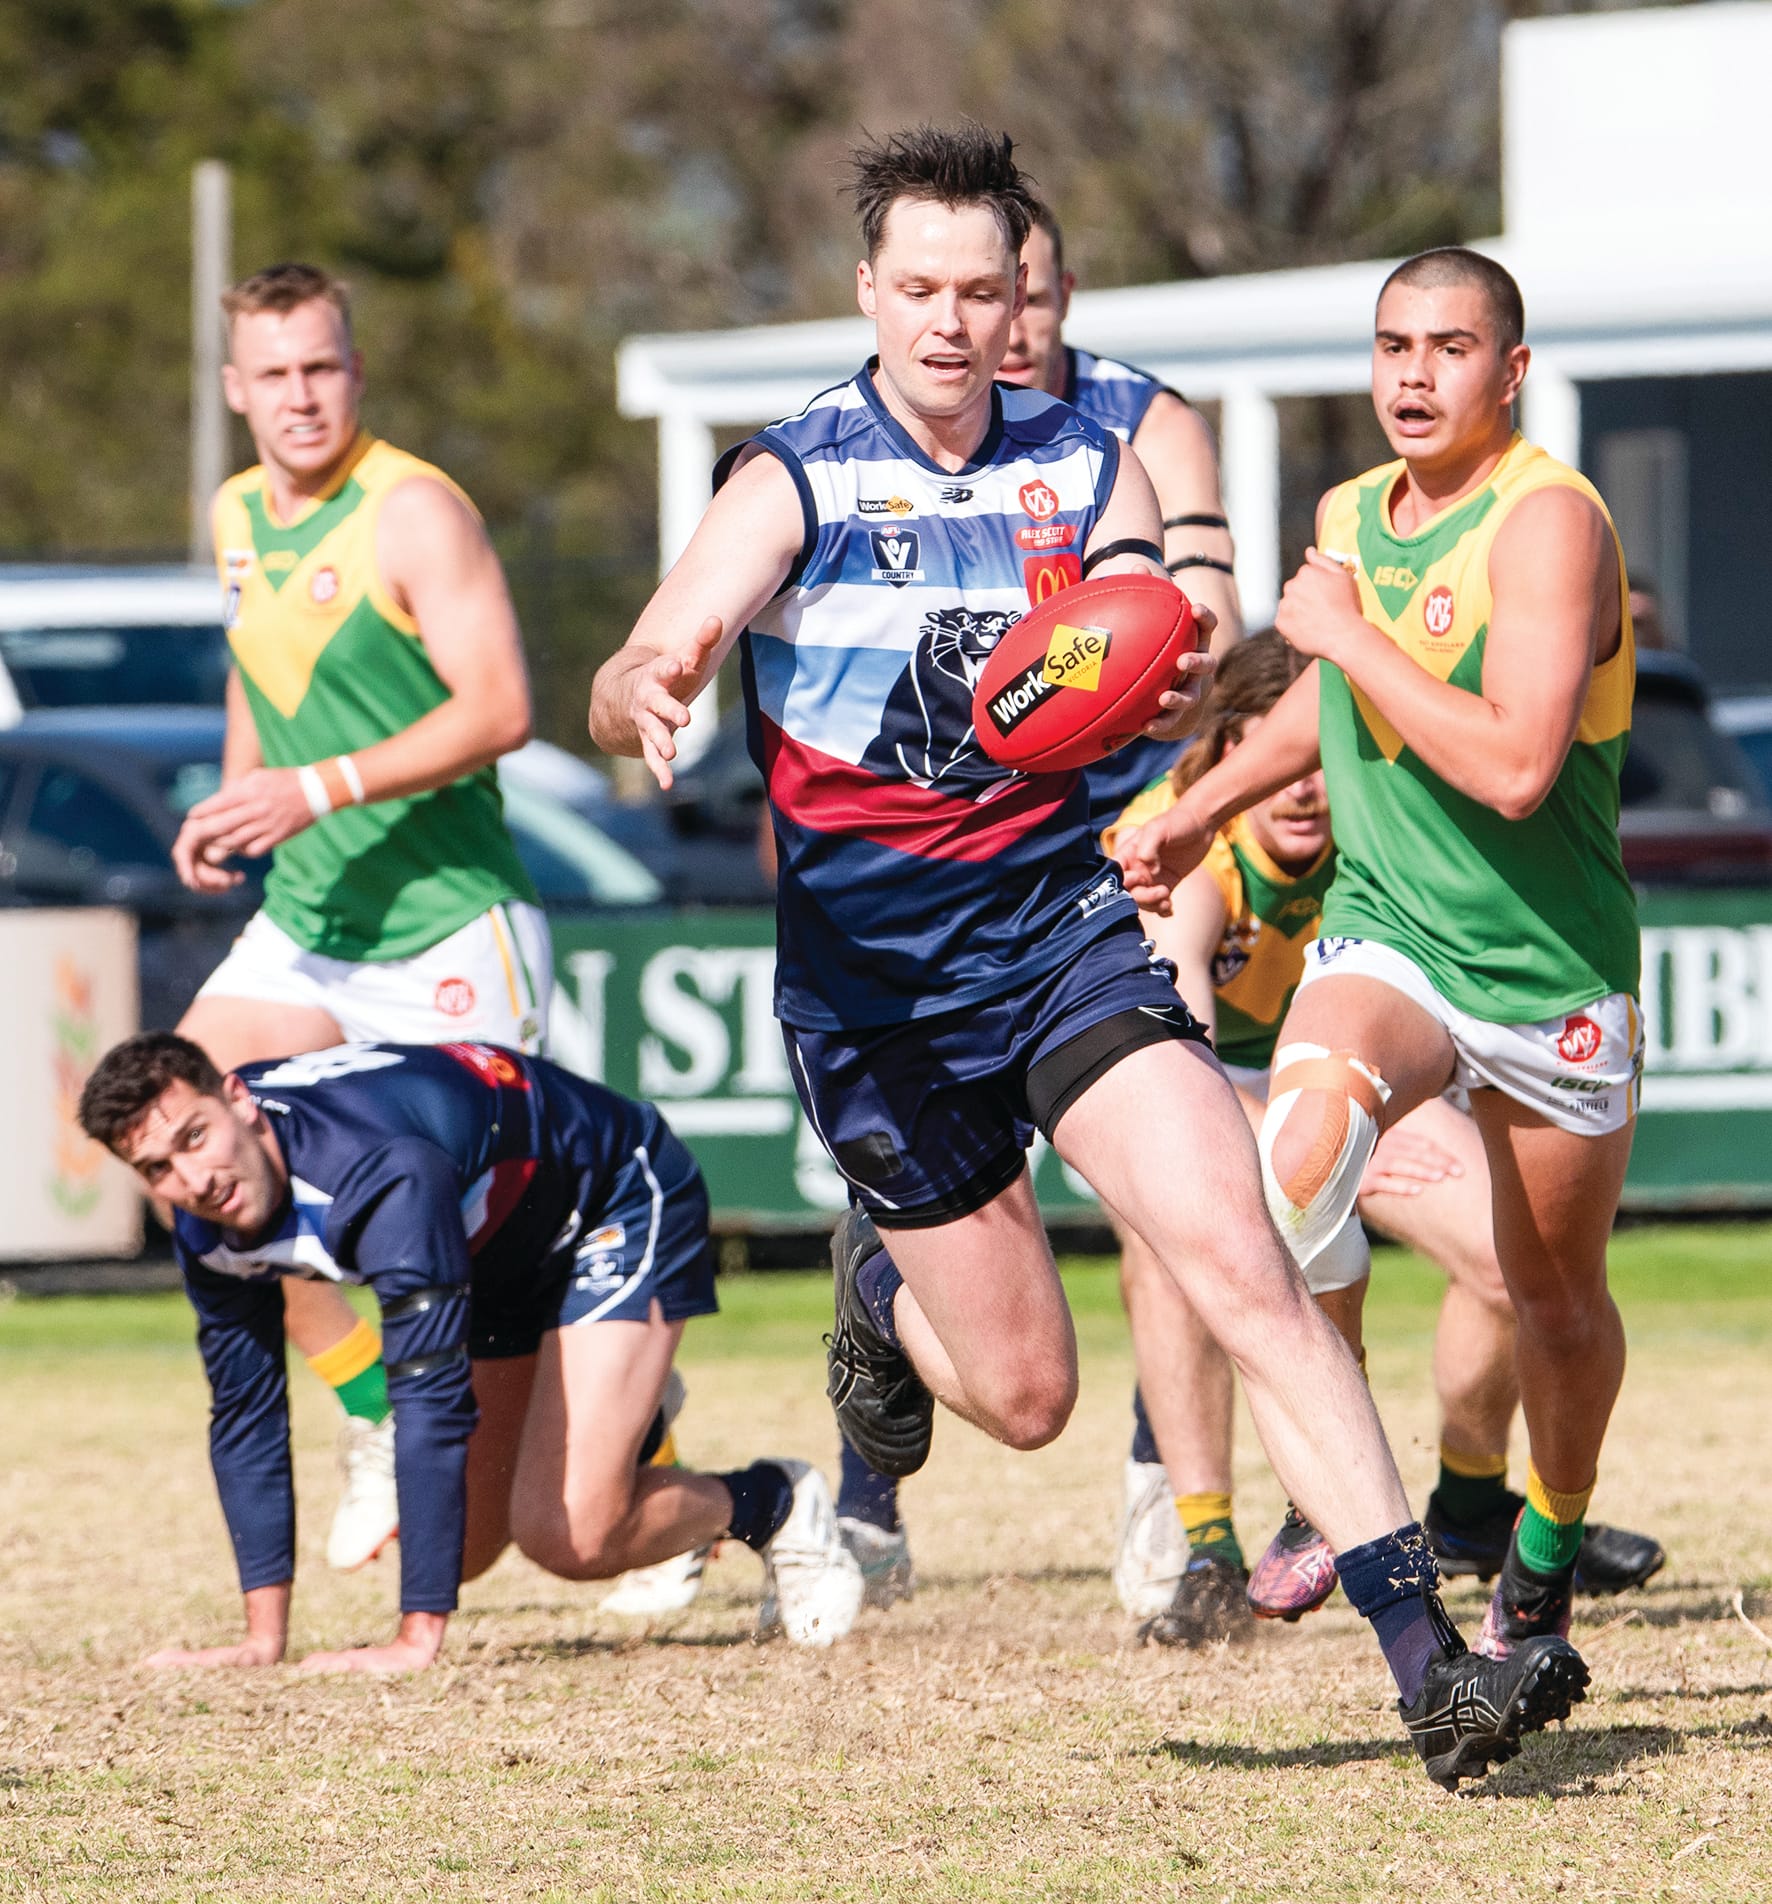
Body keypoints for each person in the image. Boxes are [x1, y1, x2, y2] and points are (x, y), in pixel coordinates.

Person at [590, 126, 1586, 1788]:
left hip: (1060, 935)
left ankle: (1429, 1673)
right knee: (1030, 1390)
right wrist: (654, 684)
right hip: (877, 995)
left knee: (1242, 1256)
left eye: (981, 289)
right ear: (867, 292)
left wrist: (1169, 663)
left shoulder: (1086, 458)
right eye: (916, 287)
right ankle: (881, 1310)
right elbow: (660, 634)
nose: (949, 320)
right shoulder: (796, 473)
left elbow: (1141, 635)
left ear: (1019, 301)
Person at [1122, 246, 1643, 1666]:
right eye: (1392, 345)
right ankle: (1345, 1525)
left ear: (1511, 373)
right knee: (1292, 1169)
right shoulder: (1353, 508)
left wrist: (1344, 632)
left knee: (1556, 1304)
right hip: (1392, 938)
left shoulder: (1548, 525)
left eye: (1450, 347)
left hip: (1550, 968)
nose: (1414, 374)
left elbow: (1521, 765)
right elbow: (1329, 716)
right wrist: (1196, 813)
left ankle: (1539, 1554)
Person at [827, 197, 1250, 1609]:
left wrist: (1172, 655)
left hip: (1131, 831)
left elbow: (1204, 617)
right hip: (948, 863)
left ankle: (1172, 1509)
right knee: (941, 1221)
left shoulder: (1137, 427)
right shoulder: (883, 439)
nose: (1003, 328)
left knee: (1179, 1175)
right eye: (953, 296)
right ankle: (873, 1497)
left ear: (1045, 297)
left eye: (1029, 299)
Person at [1101, 634, 1663, 1645]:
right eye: (1276, 751)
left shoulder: (1385, 830)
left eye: (1328, 753)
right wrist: (1301, 1124)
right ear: (1226, 752)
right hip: (1197, 1084)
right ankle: (1206, 1545)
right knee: (1168, 1244)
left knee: (1511, 1260)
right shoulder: (1182, 849)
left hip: (1356, 1070)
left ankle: (1469, 1499)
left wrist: (1370, 1111)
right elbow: (1170, 1066)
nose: (1306, 784)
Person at [169, 262, 551, 1575]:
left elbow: (502, 708)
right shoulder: (232, 510)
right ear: (236, 391)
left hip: (451, 924)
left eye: (321, 367)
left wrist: (314, 787)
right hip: (310, 918)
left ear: (356, 371)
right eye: (273, 375)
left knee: (502, 1259)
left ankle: (650, 1447)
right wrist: (236, 802)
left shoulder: (414, 511)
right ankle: (375, 1409)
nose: (300, 397)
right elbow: (254, 663)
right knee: (180, 1134)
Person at [78, 1033, 863, 1670]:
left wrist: (416, 1640)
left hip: (613, 1196)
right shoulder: (208, 1228)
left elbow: (427, 1396)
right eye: (158, 1168)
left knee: (571, 1535)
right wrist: (262, 1639)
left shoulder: (377, 1171)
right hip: (488, 1250)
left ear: (239, 1103)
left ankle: (776, 1502)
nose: (194, 1178)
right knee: (452, 1551)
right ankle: (608, 1396)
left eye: (194, 1137)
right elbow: (246, 1415)